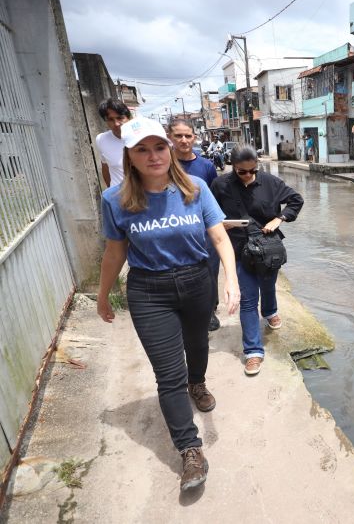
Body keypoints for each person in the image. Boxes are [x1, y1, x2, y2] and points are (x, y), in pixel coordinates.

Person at [96, 117, 240, 491]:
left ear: (170, 149)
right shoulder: (115, 199)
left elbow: (220, 239)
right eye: (141, 149)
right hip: (148, 290)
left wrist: (231, 282)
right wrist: (102, 295)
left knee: (197, 346)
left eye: (158, 147)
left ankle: (199, 383)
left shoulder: (195, 188)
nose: (153, 155)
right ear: (128, 154)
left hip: (196, 282)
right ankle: (190, 449)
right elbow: (114, 253)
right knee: (167, 374)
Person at [211, 145, 304, 376]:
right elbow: (209, 213)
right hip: (238, 248)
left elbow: (296, 200)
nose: (249, 176)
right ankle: (253, 351)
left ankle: (271, 311)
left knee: (268, 284)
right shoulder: (220, 185)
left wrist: (279, 218)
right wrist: (222, 224)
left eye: (253, 170)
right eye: (243, 172)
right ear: (233, 167)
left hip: (268, 247)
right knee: (248, 299)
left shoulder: (270, 182)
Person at [167, 119, 222, 331]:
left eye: (188, 135)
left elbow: (215, 199)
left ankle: (209, 311)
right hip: (174, 229)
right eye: (178, 136)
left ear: (194, 137)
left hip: (204, 230)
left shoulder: (206, 166)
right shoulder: (164, 164)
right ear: (170, 138)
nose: (183, 140)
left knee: (210, 270)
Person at [96, 98, 132, 187]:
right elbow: (105, 167)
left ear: (128, 118)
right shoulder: (101, 139)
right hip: (119, 197)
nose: (116, 123)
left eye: (120, 118)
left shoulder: (142, 137)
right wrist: (111, 192)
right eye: (110, 119)